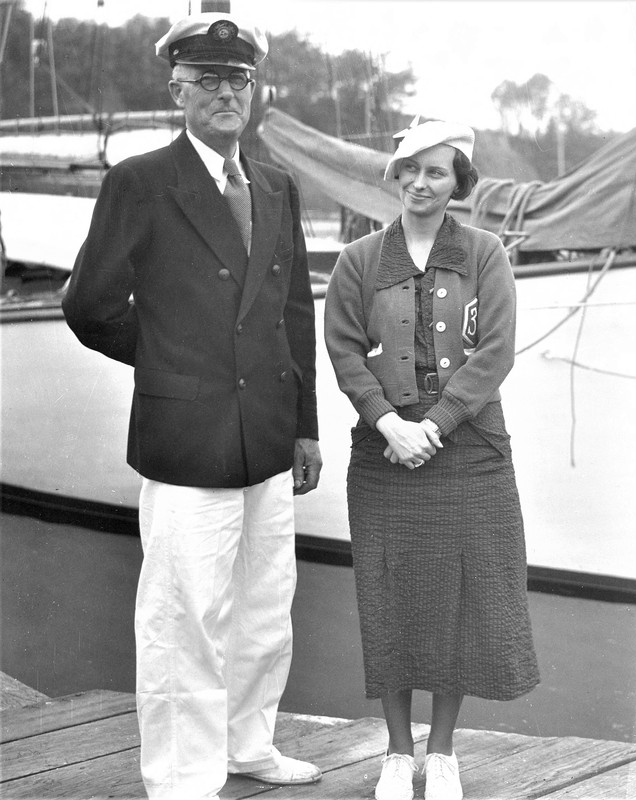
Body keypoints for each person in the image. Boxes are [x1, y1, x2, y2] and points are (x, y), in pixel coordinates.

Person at [62, 10, 323, 800]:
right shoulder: (140, 181)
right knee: (183, 619)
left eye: (237, 79)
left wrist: (306, 426)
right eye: (207, 79)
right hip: (186, 435)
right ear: (176, 88)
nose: (224, 93)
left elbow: (292, 313)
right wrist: (170, 357)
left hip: (269, 438)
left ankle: (248, 745)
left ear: (254, 88)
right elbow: (89, 304)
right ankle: (181, 779)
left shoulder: (276, 184)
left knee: (262, 606)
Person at [324, 118, 540, 800]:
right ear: (395, 173)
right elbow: (343, 350)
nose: (420, 182)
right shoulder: (358, 259)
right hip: (382, 451)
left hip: (468, 451)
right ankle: (395, 752)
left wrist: (436, 424)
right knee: (388, 593)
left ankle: (441, 752)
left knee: (460, 597)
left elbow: (495, 351)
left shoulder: (485, 254)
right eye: (410, 168)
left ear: (458, 184)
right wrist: (388, 421)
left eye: (436, 171)